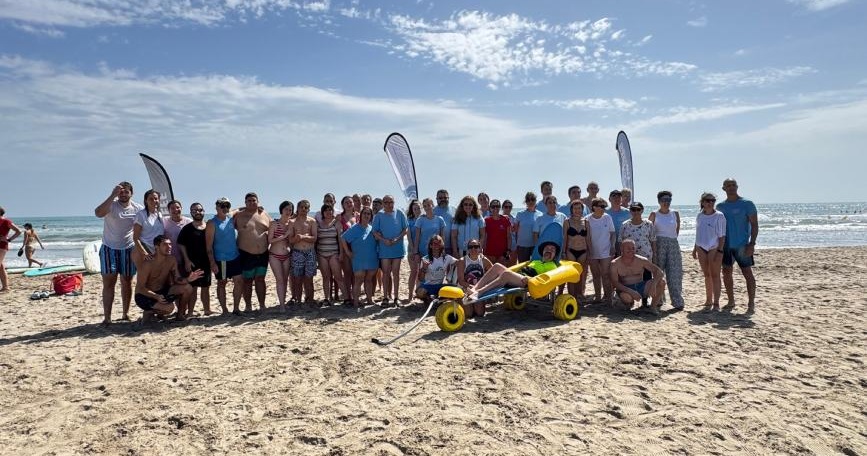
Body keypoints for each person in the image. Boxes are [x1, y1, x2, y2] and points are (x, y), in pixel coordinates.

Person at [94, 182, 144, 325]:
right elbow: (98, 213)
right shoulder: (112, 205)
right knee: (109, 282)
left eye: (126, 192)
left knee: (127, 281)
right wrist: (112, 195)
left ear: (131, 193)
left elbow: (145, 225)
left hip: (128, 248)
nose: (123, 194)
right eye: (121, 192)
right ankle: (107, 318)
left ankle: (125, 314)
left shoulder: (137, 208)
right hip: (109, 248)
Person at [134, 235, 204, 323]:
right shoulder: (147, 264)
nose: (169, 247)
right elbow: (140, 288)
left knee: (188, 287)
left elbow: (177, 278)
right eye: (165, 245)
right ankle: (148, 312)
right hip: (144, 295)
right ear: (157, 247)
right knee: (169, 308)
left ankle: (180, 315)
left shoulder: (171, 260)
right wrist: (156, 296)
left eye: (170, 244)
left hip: (162, 291)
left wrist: (188, 279)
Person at [465, 241, 560, 303]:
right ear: (542, 251)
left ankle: (479, 292)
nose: (549, 250)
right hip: (519, 275)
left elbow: (547, 279)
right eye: (547, 249)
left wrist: (530, 279)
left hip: (528, 281)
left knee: (506, 274)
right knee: (497, 266)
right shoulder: (535, 261)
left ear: (554, 255)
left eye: (552, 250)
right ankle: (475, 288)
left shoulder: (552, 266)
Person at [717, 178, 759, 313]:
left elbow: (754, 224)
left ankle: (751, 303)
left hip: (742, 245)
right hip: (726, 245)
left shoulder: (747, 204)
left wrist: (752, 243)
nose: (731, 187)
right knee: (726, 272)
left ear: (737, 186)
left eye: (733, 185)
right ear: (724, 188)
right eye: (728, 185)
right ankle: (731, 301)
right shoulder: (720, 207)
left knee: (747, 273)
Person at [206, 197, 243, 315]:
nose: (225, 208)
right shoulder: (212, 223)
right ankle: (224, 310)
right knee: (222, 283)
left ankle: (236, 308)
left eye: (227, 206)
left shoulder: (230, 217)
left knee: (239, 281)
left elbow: (238, 209)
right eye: (222, 206)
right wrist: (212, 263)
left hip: (235, 257)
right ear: (216, 207)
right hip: (221, 259)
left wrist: (255, 207)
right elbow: (208, 246)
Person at [234, 192, 271, 312]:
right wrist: (239, 208)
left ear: (258, 201)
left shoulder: (264, 214)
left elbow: (275, 227)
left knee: (260, 279)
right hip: (246, 253)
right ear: (245, 203)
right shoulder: (239, 216)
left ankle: (262, 305)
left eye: (254, 200)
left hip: (263, 253)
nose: (252, 203)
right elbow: (227, 216)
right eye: (249, 201)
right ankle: (248, 306)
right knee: (247, 281)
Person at [648, 191, 684, 310]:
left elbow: (676, 231)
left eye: (668, 200)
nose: (666, 202)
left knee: (675, 273)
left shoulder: (675, 213)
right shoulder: (654, 214)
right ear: (659, 201)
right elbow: (649, 232)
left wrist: (671, 241)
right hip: (658, 244)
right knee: (659, 273)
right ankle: (659, 300)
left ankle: (677, 301)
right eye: (663, 200)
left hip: (673, 244)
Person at [610, 239, 666, 314]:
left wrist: (654, 284)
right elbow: (615, 283)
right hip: (626, 288)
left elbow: (659, 272)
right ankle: (629, 305)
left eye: (633, 248)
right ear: (622, 249)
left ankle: (653, 307)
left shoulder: (641, 260)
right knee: (626, 298)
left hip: (642, 286)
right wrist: (630, 291)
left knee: (662, 282)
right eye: (628, 248)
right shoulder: (615, 264)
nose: (631, 250)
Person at [177, 202, 212, 316]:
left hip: (206, 262)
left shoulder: (208, 227)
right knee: (193, 288)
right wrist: (186, 260)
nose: (198, 212)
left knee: (206, 287)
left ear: (203, 211)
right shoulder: (187, 228)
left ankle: (207, 310)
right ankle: (190, 312)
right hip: (192, 263)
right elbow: (181, 244)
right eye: (194, 210)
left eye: (200, 210)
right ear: (191, 212)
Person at [694, 193, 727, 312]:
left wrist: (720, 250)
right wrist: (694, 248)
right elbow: (699, 232)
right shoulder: (700, 216)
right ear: (702, 202)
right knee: (707, 275)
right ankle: (708, 300)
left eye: (712, 200)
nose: (710, 203)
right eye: (707, 200)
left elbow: (722, 236)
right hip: (700, 246)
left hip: (714, 247)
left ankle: (716, 303)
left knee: (715, 275)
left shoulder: (719, 216)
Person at [372, 195, 408, 306]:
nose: (389, 204)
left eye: (391, 202)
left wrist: (397, 238)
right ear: (383, 203)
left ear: (394, 202)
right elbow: (374, 232)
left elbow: (405, 229)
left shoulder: (400, 213)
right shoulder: (379, 216)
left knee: (396, 273)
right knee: (386, 273)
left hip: (397, 248)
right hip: (384, 249)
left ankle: (396, 297)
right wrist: (383, 240)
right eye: (386, 202)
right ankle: (385, 297)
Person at [342, 207, 378, 307]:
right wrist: (348, 252)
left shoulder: (372, 228)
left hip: (371, 257)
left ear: (371, 216)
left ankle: (370, 300)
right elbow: (343, 238)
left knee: (369, 280)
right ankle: (356, 302)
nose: (366, 215)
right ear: (361, 215)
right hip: (358, 258)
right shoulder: (355, 227)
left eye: (368, 214)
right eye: (365, 213)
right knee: (358, 280)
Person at [316, 203, 348, 305]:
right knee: (326, 277)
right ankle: (326, 298)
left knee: (338, 276)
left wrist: (341, 253)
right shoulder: (318, 224)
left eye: (330, 210)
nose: (328, 212)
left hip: (334, 253)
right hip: (321, 254)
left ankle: (346, 298)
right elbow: (316, 240)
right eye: (326, 211)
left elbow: (340, 240)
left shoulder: (337, 223)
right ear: (322, 213)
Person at [289, 200, 318, 305]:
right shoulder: (292, 222)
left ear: (309, 209)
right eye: (301, 207)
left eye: (306, 207)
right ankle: (298, 300)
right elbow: (290, 240)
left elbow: (314, 238)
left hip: (310, 252)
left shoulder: (312, 221)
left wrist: (303, 237)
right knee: (297, 278)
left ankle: (310, 298)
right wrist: (296, 239)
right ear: (297, 208)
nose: (303, 209)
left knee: (309, 278)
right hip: (297, 252)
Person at [586, 197, 615, 303]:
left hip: (606, 251)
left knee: (606, 274)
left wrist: (612, 246)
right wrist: (589, 250)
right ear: (594, 207)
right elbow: (587, 237)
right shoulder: (587, 219)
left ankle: (608, 298)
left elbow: (612, 233)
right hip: (593, 251)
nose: (604, 209)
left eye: (604, 207)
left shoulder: (607, 217)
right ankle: (598, 297)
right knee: (595, 275)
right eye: (601, 206)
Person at [455, 239, 493, 318]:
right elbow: (461, 281)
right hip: (465, 288)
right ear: (468, 249)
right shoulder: (462, 261)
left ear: (479, 248)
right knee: (468, 314)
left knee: (480, 313)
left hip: (477, 289)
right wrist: (472, 287)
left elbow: (493, 272)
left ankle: (473, 304)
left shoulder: (484, 260)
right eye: (470, 247)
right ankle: (459, 301)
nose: (473, 249)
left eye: (476, 247)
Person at [415, 235, 457, 305]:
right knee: (420, 292)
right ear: (430, 246)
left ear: (441, 245)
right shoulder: (425, 259)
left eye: (439, 243)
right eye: (434, 243)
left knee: (455, 289)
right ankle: (429, 299)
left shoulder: (447, 257)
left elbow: (460, 263)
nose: (436, 246)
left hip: (440, 285)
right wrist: (424, 268)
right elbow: (421, 279)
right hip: (428, 285)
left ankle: (437, 299)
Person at [267, 201, 293, 311]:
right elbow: (270, 240)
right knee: (280, 280)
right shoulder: (274, 223)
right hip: (274, 255)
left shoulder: (291, 224)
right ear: (281, 210)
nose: (288, 211)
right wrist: (284, 236)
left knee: (285, 279)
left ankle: (284, 301)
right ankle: (282, 305)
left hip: (287, 255)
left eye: (290, 209)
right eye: (286, 209)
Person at [562, 200, 589, 300]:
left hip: (583, 250)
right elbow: (565, 238)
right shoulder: (567, 222)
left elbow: (588, 238)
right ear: (571, 210)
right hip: (570, 250)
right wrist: (563, 252)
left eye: (579, 208)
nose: (577, 210)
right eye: (575, 208)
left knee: (581, 274)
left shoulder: (586, 222)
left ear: (582, 209)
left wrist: (590, 251)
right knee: (572, 274)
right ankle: (571, 295)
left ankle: (579, 294)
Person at [132, 189, 164, 268]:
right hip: (146, 251)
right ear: (146, 201)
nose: (154, 200)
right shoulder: (141, 215)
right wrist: (144, 253)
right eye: (151, 199)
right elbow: (135, 238)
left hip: (158, 251)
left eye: (156, 198)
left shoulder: (159, 214)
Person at [337, 196, 357, 299]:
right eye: (346, 202)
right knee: (347, 273)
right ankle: (348, 297)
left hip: (357, 249)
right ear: (343, 205)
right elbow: (340, 237)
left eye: (350, 202)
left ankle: (354, 295)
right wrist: (342, 252)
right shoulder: (340, 217)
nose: (349, 204)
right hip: (345, 249)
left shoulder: (358, 216)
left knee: (356, 273)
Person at [162, 200, 191, 268]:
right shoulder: (164, 221)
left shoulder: (189, 222)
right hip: (170, 258)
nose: (175, 210)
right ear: (168, 210)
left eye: (178, 207)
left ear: (181, 208)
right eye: (172, 208)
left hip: (186, 258)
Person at [514, 192, 541, 263]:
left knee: (534, 267)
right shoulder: (520, 214)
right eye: (528, 200)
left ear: (535, 201)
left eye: (532, 199)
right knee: (522, 268)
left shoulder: (540, 214)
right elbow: (515, 230)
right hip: (522, 246)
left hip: (535, 246)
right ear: (526, 202)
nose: (530, 201)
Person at [0, 207, 22, 292]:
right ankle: (5, 287)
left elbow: (18, 231)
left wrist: (9, 239)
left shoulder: (6, 221)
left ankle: (5, 287)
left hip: (2, 245)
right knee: (1, 266)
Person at [483, 199, 511, 265]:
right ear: (490, 208)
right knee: (490, 272)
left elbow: (509, 236)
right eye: (493, 206)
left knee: (502, 273)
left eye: (497, 206)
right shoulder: (486, 221)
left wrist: (508, 250)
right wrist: (483, 251)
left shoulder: (505, 220)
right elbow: (484, 237)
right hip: (489, 252)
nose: (495, 208)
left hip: (502, 253)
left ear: (500, 208)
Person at [405, 199, 422, 302]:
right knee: (414, 272)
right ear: (412, 209)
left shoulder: (424, 219)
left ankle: (418, 293)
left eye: (419, 208)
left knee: (422, 273)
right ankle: (410, 294)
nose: (417, 210)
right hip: (412, 249)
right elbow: (409, 236)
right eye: (415, 208)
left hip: (423, 249)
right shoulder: (409, 221)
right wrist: (412, 250)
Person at [606, 190, 630, 257]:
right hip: (608, 243)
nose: (617, 199)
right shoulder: (604, 212)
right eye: (614, 197)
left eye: (619, 197)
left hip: (623, 242)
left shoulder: (628, 212)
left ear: (621, 199)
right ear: (609, 199)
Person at [433, 189, 455, 255]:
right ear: (436, 199)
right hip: (437, 247)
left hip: (452, 246)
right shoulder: (432, 211)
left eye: (445, 198)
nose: (443, 199)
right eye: (440, 198)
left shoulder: (455, 210)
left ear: (448, 198)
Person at [501, 199, 518, 265]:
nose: (508, 208)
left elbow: (516, 233)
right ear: (502, 208)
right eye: (506, 207)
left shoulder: (515, 219)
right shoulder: (499, 218)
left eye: (510, 207)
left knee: (512, 264)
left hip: (513, 244)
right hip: (502, 244)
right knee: (502, 265)